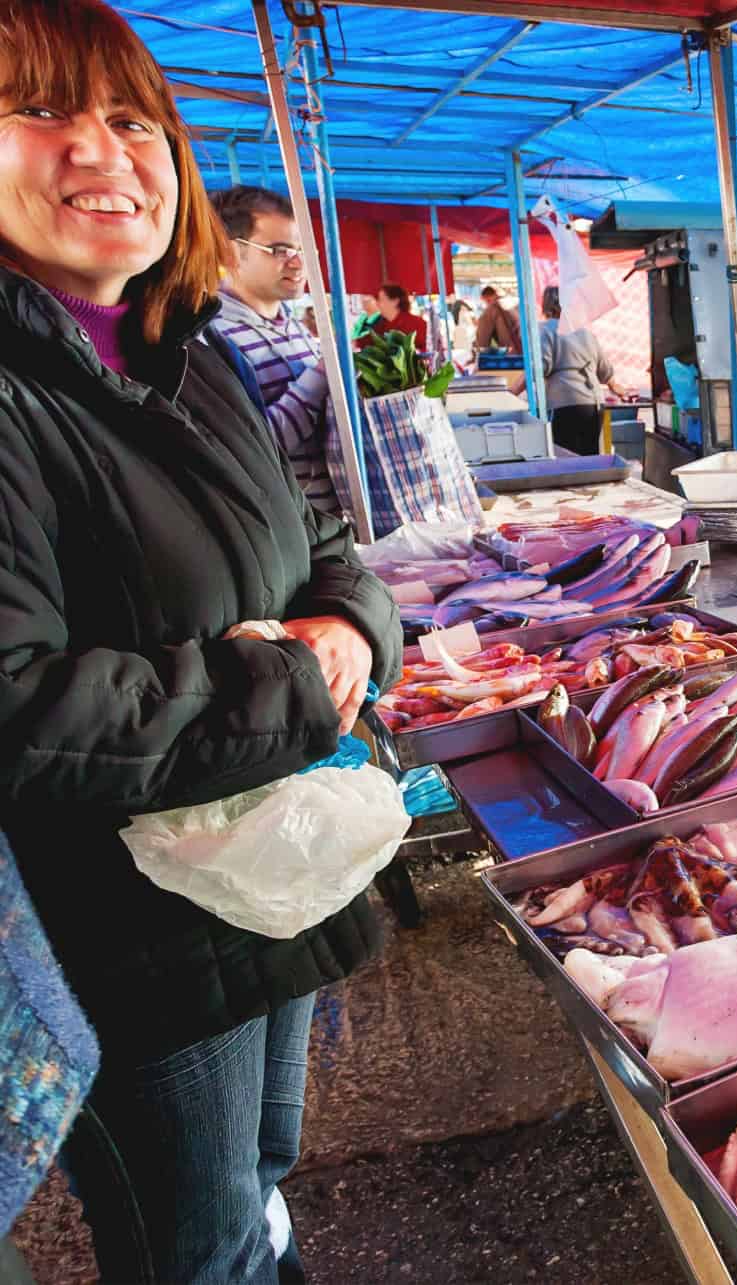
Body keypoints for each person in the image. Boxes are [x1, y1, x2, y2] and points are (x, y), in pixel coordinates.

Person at [0, 4, 402, 1282]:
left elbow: (317, 544)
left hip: (260, 879)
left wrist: (352, 624)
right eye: (38, 110)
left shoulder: (195, 348)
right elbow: (18, 707)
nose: (99, 152)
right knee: (195, 1240)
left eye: (131, 119)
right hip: (126, 929)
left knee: (262, 1181)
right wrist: (291, 683)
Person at [209, 185, 341, 514]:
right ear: (230, 253)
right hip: (288, 536)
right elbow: (247, 451)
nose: (299, 264)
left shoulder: (297, 330)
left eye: (301, 249)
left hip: (332, 527)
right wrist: (320, 377)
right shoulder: (210, 340)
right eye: (280, 250)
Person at [539, 284, 616, 456]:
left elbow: (543, 367)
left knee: (567, 459)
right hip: (594, 403)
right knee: (590, 457)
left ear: (545, 304)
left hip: (565, 402)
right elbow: (605, 372)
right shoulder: (585, 332)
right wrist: (617, 387)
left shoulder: (545, 329)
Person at [365, 280, 427, 353]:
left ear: (395, 301)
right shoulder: (379, 325)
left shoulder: (417, 324)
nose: (378, 304)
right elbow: (365, 342)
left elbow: (425, 350)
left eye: (381, 300)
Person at [472, 282, 520, 354]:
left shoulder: (492, 310)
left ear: (486, 299)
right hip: (532, 356)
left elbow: (482, 342)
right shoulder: (517, 302)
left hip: (513, 357)